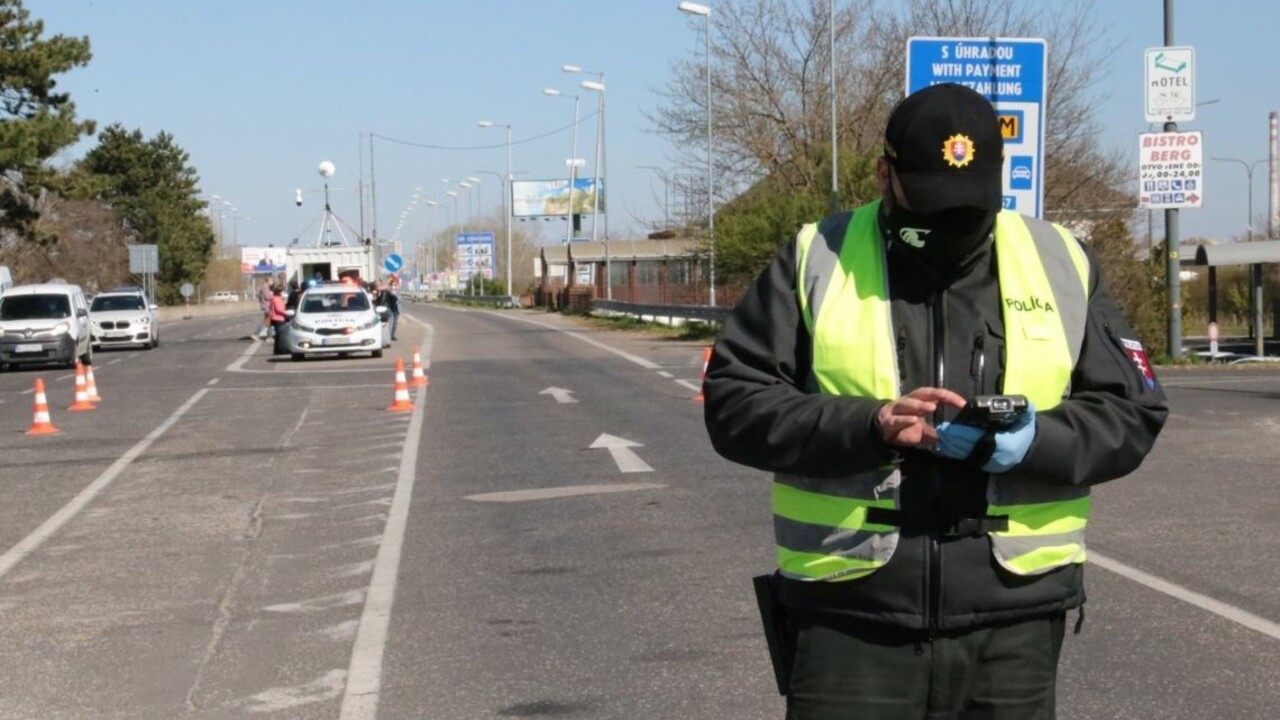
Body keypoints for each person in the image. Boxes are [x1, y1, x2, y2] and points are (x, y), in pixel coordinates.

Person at [702, 83, 1168, 720]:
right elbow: (734, 402)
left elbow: (1134, 410)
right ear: (883, 175)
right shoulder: (816, 257)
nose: (949, 222)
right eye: (930, 204)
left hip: (1013, 624)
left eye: (968, 204)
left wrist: (1037, 439)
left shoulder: (1062, 261)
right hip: (850, 619)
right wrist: (871, 425)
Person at [267, 284, 289, 355]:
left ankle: (277, 350)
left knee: (278, 335)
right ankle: (280, 350)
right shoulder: (277, 299)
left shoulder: (276, 298)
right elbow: (279, 309)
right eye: (283, 291)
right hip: (278, 318)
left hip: (277, 318)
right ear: (280, 292)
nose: (284, 293)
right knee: (280, 335)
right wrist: (286, 313)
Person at [385, 275, 401, 341]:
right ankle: (388, 335)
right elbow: (386, 284)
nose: (393, 286)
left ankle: (393, 335)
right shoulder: (388, 291)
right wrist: (390, 279)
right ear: (390, 285)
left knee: (395, 323)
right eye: (392, 284)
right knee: (390, 322)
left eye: (395, 284)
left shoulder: (398, 291)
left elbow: (399, 301)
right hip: (390, 308)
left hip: (396, 309)